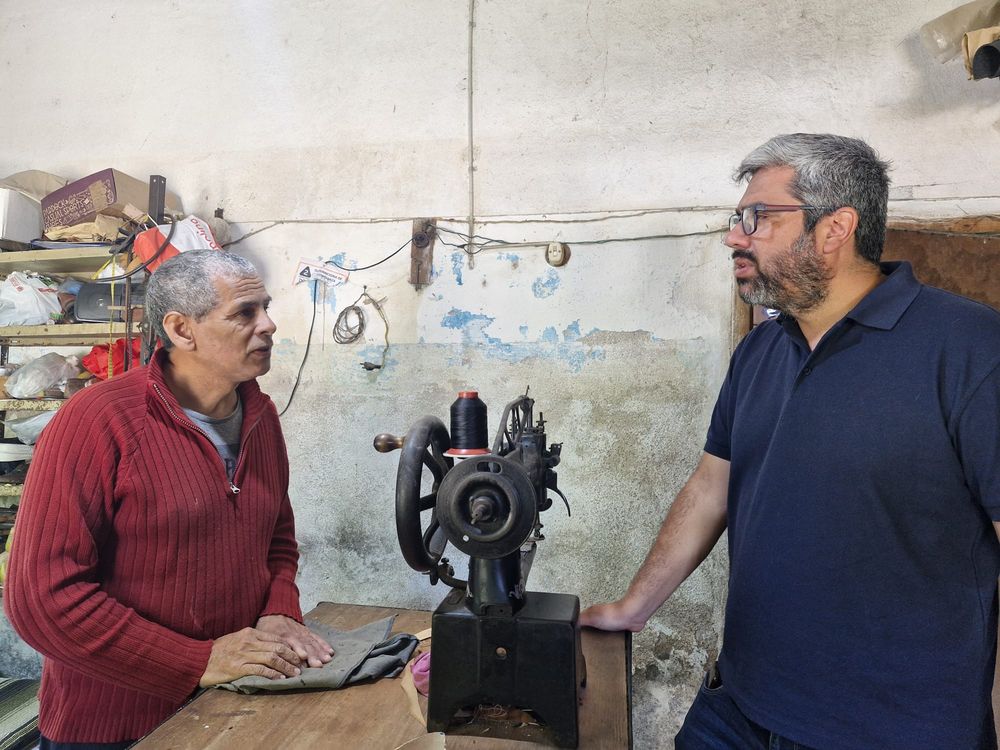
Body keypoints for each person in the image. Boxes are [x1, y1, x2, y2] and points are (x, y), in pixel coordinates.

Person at [582, 134, 1000, 750]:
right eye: (736, 218)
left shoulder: (970, 348)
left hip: (894, 726)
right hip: (742, 704)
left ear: (836, 228)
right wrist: (633, 608)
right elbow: (711, 487)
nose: (734, 236)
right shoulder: (758, 351)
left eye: (758, 218)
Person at [4, 250, 333, 748]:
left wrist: (280, 610)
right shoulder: (98, 421)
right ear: (182, 330)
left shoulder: (260, 417)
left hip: (230, 708)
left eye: (265, 307)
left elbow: (277, 539)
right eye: (244, 312)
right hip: (113, 728)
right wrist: (197, 661)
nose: (268, 325)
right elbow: (43, 603)